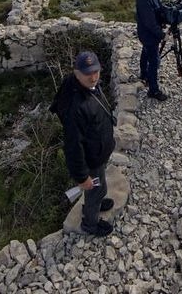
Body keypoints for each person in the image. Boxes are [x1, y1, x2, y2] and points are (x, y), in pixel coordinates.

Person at [50, 51, 116, 236]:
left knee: (100, 184)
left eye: (96, 71)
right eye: (88, 73)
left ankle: (97, 202)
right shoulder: (75, 108)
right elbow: (73, 147)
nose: (93, 77)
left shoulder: (84, 85)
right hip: (91, 158)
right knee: (95, 188)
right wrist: (81, 177)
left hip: (97, 152)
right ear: (76, 72)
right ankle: (90, 223)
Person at [136, 0, 169, 101]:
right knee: (154, 61)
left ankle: (144, 75)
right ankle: (153, 90)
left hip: (147, 34)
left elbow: (157, 11)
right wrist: (162, 35)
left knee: (146, 52)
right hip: (148, 34)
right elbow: (149, 22)